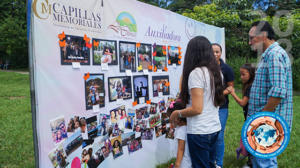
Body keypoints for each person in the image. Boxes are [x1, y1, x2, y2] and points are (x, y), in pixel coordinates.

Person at [170, 36, 225, 168]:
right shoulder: (216, 72)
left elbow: (197, 109)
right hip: (214, 128)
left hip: (200, 131)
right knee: (211, 164)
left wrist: (177, 113)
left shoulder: (196, 73)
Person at [247, 21, 293, 168]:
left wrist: (261, 119)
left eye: (252, 37)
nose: (249, 42)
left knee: (265, 163)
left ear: (264, 35)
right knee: (262, 161)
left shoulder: (274, 54)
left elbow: (278, 91)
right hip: (266, 122)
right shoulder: (268, 55)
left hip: (268, 124)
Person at [227, 63, 255, 167]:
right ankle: (249, 160)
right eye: (240, 74)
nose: (241, 77)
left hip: (251, 118)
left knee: (250, 140)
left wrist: (233, 93)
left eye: (243, 74)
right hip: (248, 117)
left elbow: (243, 103)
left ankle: (251, 163)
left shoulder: (251, 87)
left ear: (251, 74)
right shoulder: (248, 85)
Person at [212, 43, 234, 168]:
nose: (215, 54)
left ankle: (218, 164)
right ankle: (211, 160)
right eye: (212, 52)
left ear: (221, 53)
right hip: (207, 107)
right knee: (210, 135)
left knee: (219, 135)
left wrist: (219, 94)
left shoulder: (227, 69)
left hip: (222, 107)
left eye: (217, 52)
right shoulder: (205, 68)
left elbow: (231, 87)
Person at [167, 100, 192, 168]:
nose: (170, 121)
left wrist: (177, 165)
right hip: (188, 161)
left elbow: (181, 149)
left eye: (171, 118)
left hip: (184, 163)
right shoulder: (188, 127)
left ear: (177, 119)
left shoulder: (181, 131)